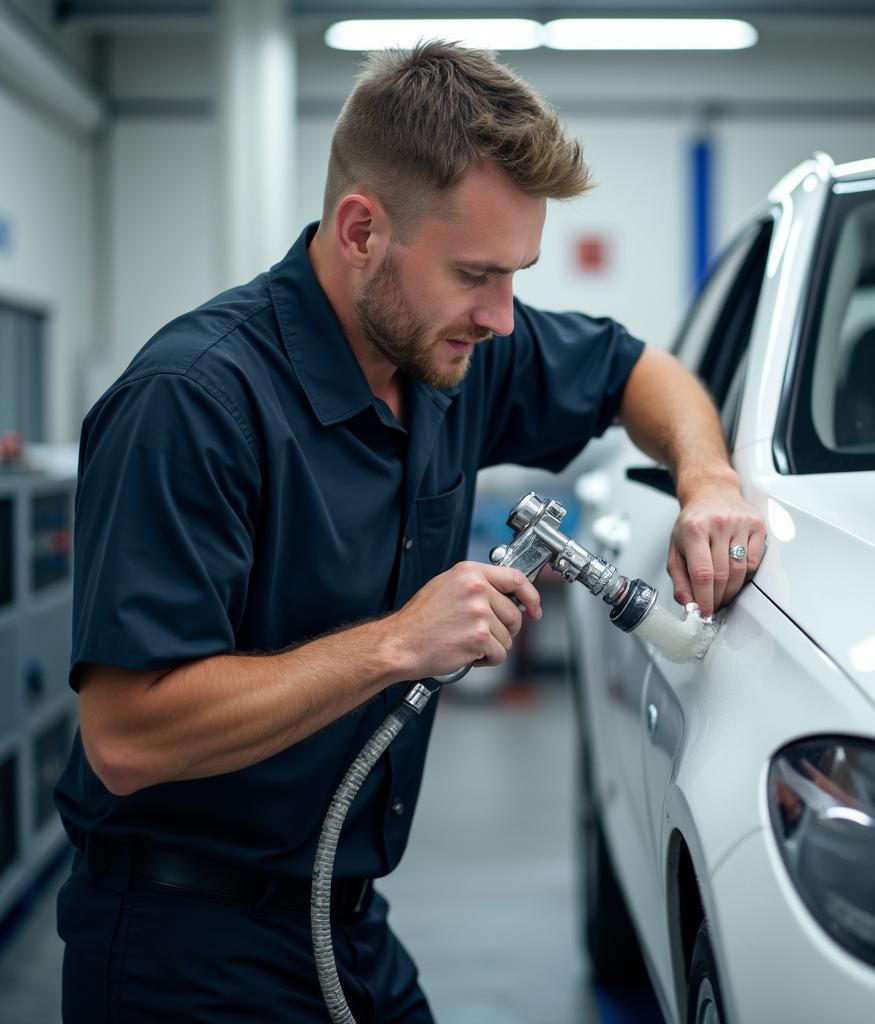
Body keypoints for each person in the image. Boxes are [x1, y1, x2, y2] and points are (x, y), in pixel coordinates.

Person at [55, 41, 765, 1024]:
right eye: (477, 273)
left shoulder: (450, 355)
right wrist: (398, 642)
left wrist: (709, 477)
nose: (503, 317)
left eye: (516, 274)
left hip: (341, 923)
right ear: (360, 230)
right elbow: (126, 734)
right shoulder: (194, 404)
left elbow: (641, 371)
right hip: (183, 947)